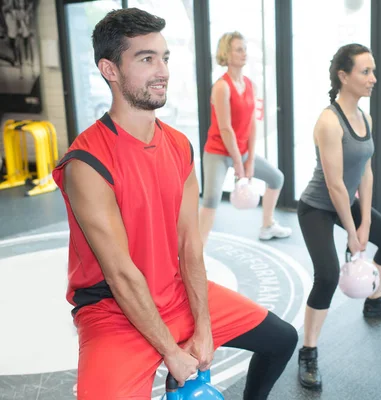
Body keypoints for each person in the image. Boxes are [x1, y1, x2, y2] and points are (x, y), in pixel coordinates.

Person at [52, 9, 297, 399]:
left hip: (175, 292)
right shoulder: (87, 163)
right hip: (112, 310)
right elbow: (121, 276)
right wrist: (172, 353)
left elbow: (189, 245)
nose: (162, 70)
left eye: (164, 58)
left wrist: (203, 329)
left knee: (282, 339)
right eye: (146, 58)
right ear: (110, 69)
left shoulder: (179, 145)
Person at [296, 43, 381, 390]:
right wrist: (352, 231)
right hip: (318, 205)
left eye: (373, 71)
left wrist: (367, 224)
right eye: (365, 71)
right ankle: (308, 351)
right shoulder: (329, 122)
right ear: (343, 76)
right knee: (328, 276)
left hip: (347, 199)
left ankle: (374, 302)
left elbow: (366, 173)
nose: (373, 78)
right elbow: (335, 186)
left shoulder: (365, 117)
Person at [198, 31, 291, 244]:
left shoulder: (250, 85)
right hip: (218, 152)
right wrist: (240, 164)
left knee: (276, 178)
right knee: (211, 200)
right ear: (226, 54)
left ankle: (267, 225)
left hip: (242, 151)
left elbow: (251, 124)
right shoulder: (221, 87)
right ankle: (195, 253)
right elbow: (226, 129)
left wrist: (249, 160)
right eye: (239, 49)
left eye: (245, 49)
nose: (244, 53)